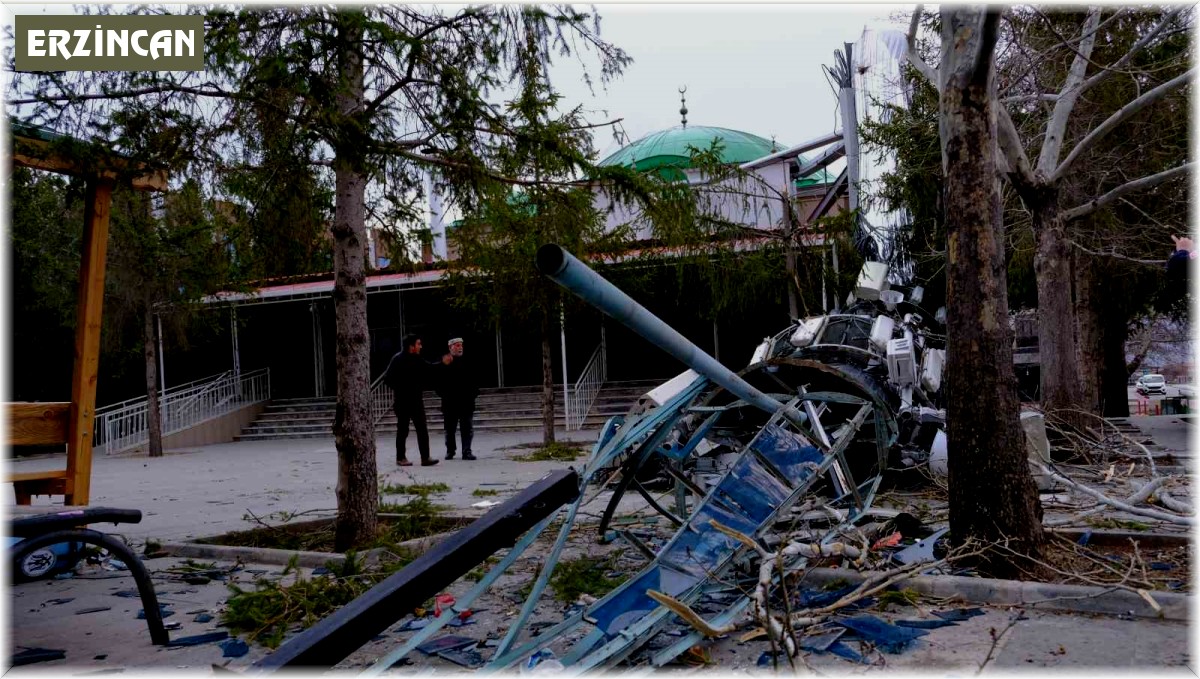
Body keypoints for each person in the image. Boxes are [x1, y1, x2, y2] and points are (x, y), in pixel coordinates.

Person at [382, 334, 445, 467]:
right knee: (403, 430)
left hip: (416, 400)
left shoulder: (417, 359)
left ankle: (425, 457)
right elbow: (387, 379)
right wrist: (401, 387)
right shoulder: (397, 359)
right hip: (402, 401)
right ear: (411, 346)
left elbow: (429, 368)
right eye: (418, 344)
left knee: (422, 428)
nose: (420, 346)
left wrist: (442, 363)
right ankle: (400, 457)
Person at [437, 337, 478, 460]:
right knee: (449, 430)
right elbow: (437, 383)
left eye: (461, 345)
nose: (460, 347)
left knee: (467, 429)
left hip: (466, 402)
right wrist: (444, 395)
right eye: (457, 345)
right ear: (450, 348)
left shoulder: (469, 361)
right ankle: (450, 450)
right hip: (450, 403)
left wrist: (473, 395)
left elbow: (475, 381)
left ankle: (467, 451)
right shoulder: (445, 363)